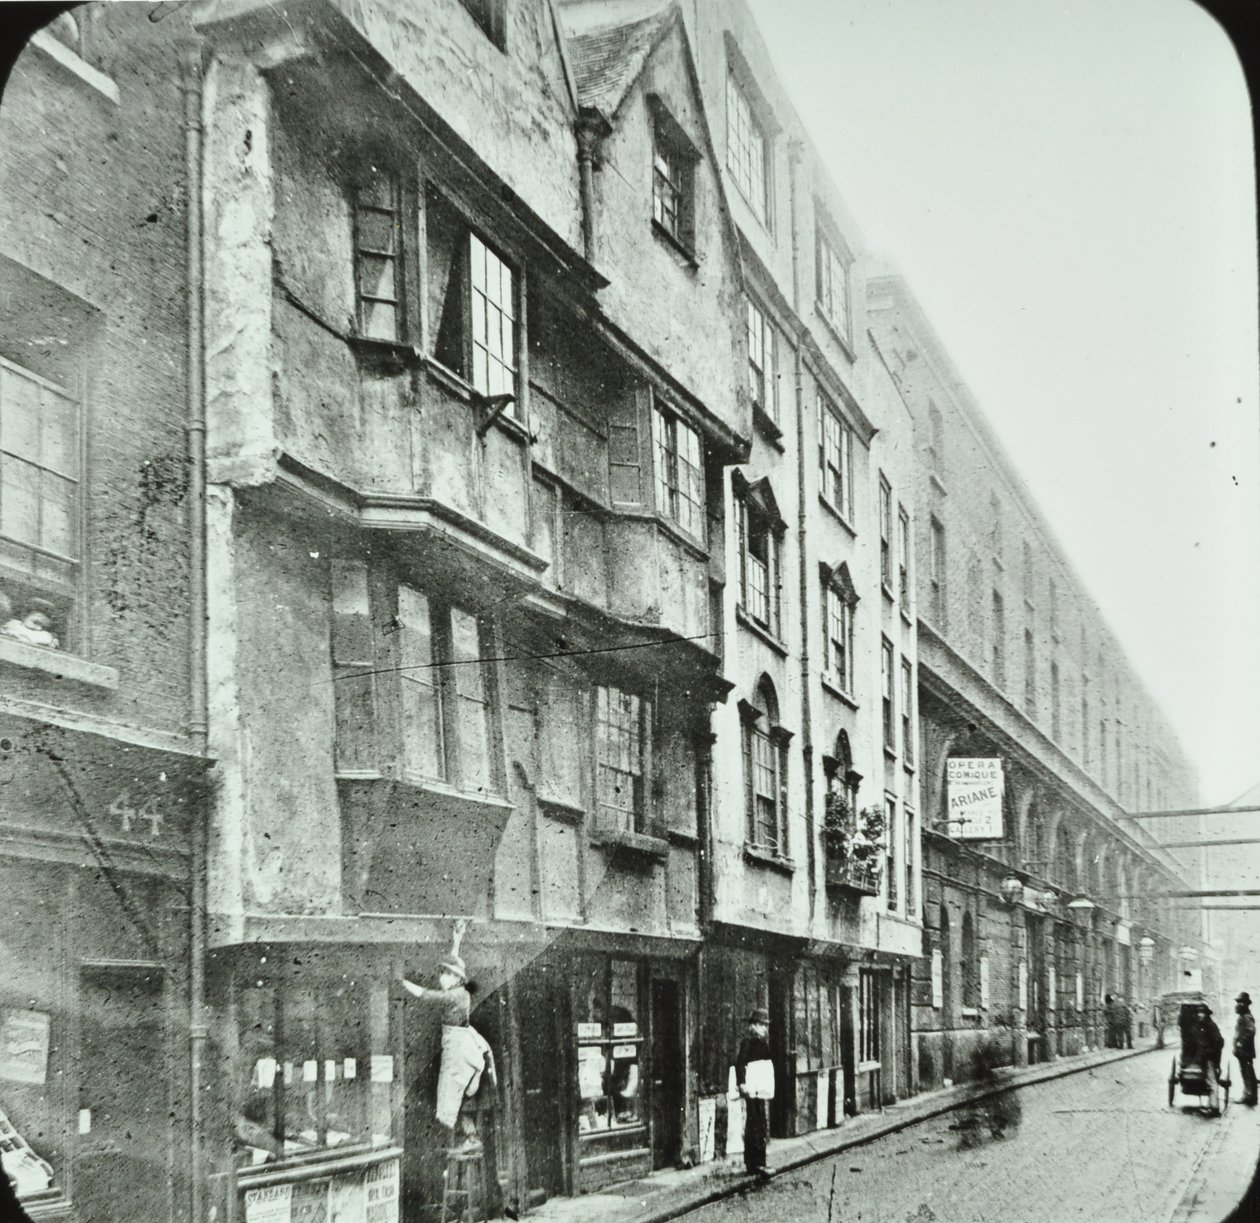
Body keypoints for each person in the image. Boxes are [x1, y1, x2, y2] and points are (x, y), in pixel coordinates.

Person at [734, 1008, 774, 1178]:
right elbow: (740, 1064)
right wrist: (742, 1083)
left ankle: (761, 1161)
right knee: (753, 1123)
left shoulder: (764, 1044)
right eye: (763, 1025)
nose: (765, 1029)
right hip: (751, 1089)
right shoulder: (748, 1044)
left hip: (761, 1089)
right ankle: (752, 1163)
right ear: (755, 1026)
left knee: (761, 1123)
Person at [1235, 992, 1257, 1106]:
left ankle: (1250, 1096)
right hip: (1243, 1052)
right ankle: (1249, 1096)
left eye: (1241, 1002)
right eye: (1238, 1002)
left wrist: (1240, 1043)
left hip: (1246, 1051)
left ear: (1246, 1004)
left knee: (1247, 1073)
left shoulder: (1247, 1017)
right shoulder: (1242, 1016)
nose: (1239, 1004)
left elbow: (1251, 1030)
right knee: (1247, 1073)